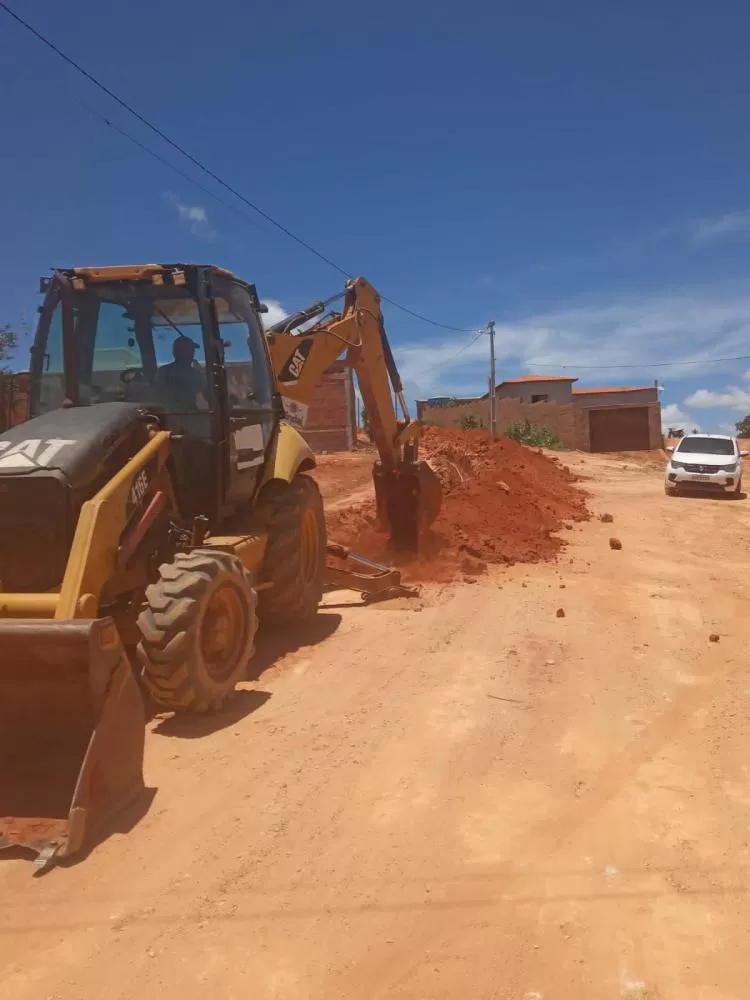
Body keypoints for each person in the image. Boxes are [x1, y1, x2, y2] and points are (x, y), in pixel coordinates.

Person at [158, 336, 209, 411]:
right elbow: (208, 395)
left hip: (167, 414)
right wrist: (202, 373)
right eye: (191, 351)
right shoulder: (196, 374)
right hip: (188, 415)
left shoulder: (162, 371)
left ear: (173, 353)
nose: (193, 353)